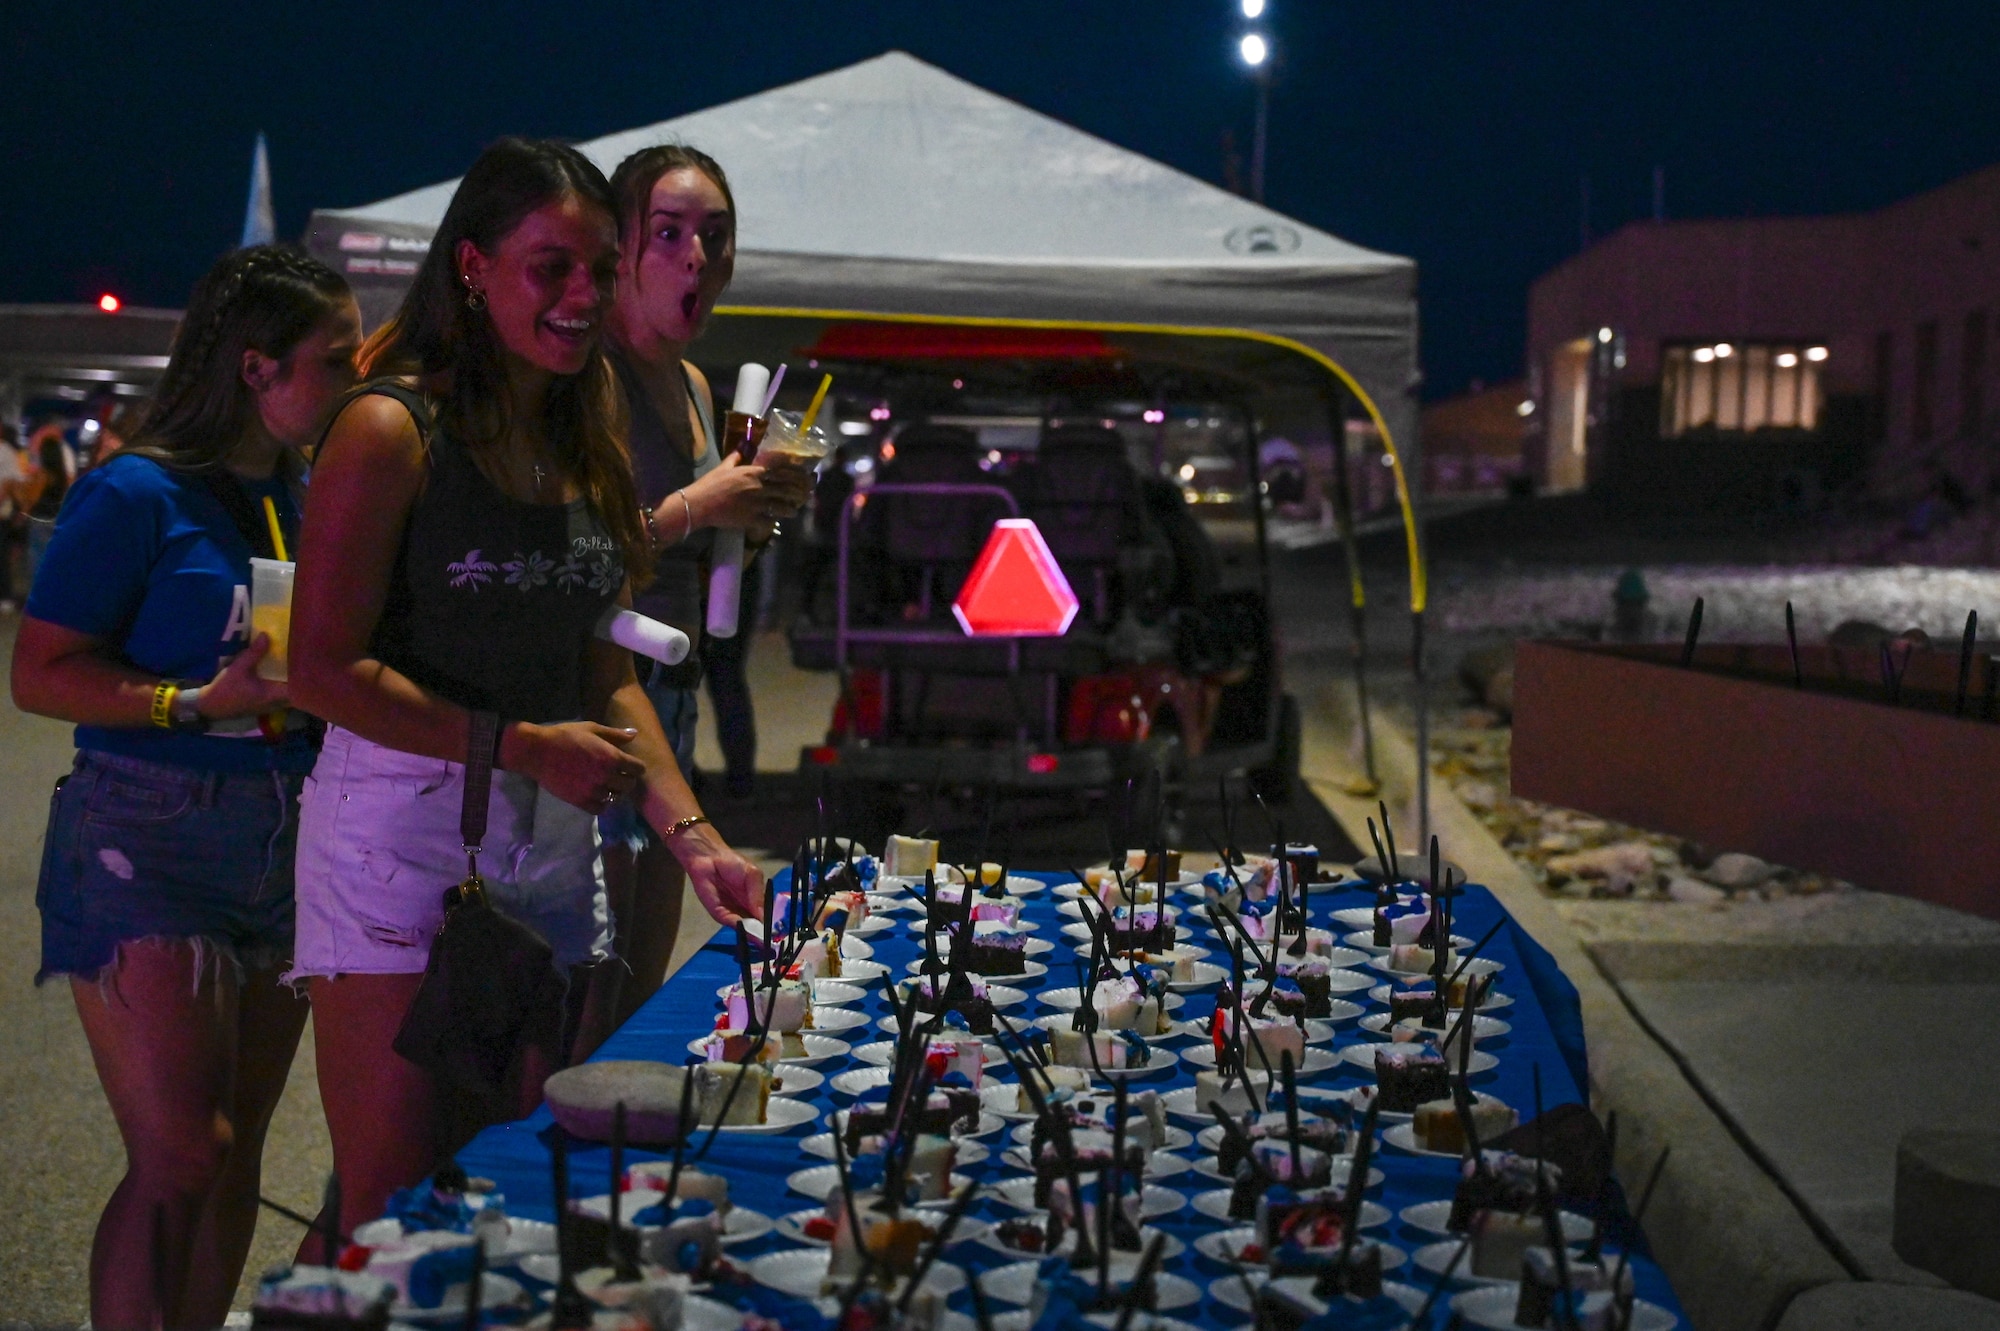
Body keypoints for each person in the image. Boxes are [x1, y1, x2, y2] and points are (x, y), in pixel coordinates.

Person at [286, 138, 766, 1242]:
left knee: (505, 1180)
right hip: (401, 844)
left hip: (548, 845)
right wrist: (516, 743)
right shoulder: (391, 427)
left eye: (600, 267)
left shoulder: (581, 426)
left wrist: (694, 835)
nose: (583, 295)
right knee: (394, 1199)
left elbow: (600, 666)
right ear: (472, 266)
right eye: (550, 265)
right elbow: (322, 669)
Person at [10, 245, 360, 1331]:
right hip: (146, 831)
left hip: (291, 833)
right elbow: (39, 672)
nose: (354, 385)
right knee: (179, 1152)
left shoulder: (307, 495)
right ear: (256, 368)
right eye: (335, 361)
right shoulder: (134, 490)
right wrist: (189, 700)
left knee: (235, 1152)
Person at [595, 144, 810, 1030]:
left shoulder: (689, 381)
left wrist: (751, 524)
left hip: (675, 691)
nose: (696, 257)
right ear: (620, 247)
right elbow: (571, 565)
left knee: (642, 981)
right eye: (670, 232)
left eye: (714, 237)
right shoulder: (590, 375)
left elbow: (694, 555)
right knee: (593, 982)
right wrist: (699, 504)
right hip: (603, 692)